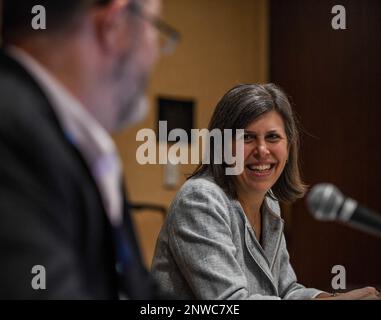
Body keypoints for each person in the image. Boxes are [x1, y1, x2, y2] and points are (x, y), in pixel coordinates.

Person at [0, 0, 178, 299]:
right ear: (115, 25)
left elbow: (140, 294)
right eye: (153, 29)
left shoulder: (84, 145)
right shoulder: (13, 132)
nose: (155, 53)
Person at [151, 83, 381, 300]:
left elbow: (286, 289)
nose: (262, 150)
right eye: (247, 137)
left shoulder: (269, 202)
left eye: (272, 137)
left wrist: (337, 297)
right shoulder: (200, 200)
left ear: (288, 146)